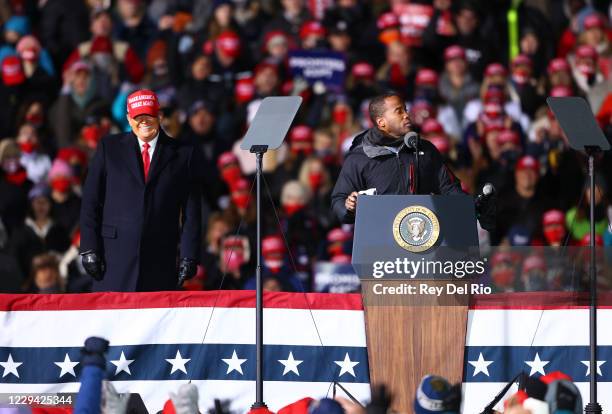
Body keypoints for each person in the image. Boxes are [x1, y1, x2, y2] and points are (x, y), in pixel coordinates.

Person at [79, 89, 203, 291]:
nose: (144, 122)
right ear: (129, 119)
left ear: (159, 115)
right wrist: (89, 248)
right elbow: (91, 201)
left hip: (160, 259)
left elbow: (192, 210)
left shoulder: (183, 154)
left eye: (149, 116)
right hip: (113, 259)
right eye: (138, 117)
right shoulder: (108, 148)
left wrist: (189, 256)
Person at [330, 92, 465, 224]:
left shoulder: (425, 149)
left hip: (424, 237)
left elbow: (449, 188)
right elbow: (339, 200)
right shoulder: (359, 157)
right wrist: (349, 208)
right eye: (399, 111)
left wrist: (468, 205)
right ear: (381, 122)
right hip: (377, 240)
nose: (406, 115)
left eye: (405, 110)